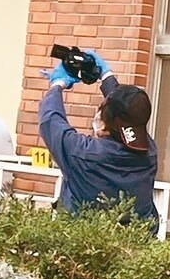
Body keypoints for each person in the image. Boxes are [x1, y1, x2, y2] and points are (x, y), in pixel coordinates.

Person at [38, 51, 159, 223]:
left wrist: (57, 84)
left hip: (85, 244)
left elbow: (50, 120)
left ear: (104, 122)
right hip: (134, 245)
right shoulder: (149, 152)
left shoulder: (82, 154)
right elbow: (129, 113)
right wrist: (106, 75)